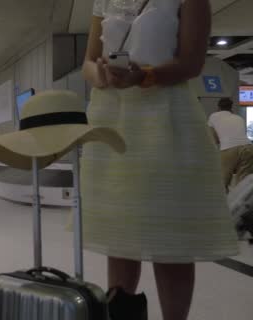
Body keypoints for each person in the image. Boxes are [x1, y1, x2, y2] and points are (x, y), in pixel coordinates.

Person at [82, 1, 237, 320]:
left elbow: (191, 63)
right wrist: (101, 75)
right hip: (112, 116)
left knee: (170, 232)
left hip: (166, 117)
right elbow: (87, 62)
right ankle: (121, 312)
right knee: (120, 230)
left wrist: (144, 76)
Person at [208, 97, 253, 191]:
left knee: (222, 180)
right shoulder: (238, 118)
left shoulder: (213, 116)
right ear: (231, 107)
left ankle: (223, 204)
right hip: (248, 147)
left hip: (229, 148)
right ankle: (240, 204)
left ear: (218, 107)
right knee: (243, 181)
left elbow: (213, 138)